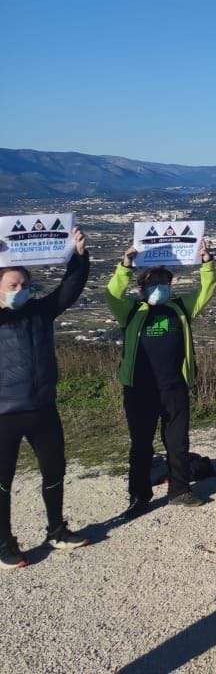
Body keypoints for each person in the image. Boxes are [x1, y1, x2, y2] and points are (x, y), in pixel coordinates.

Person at [106, 235, 216, 513]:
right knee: (141, 446)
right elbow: (111, 294)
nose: (159, 288)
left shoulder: (180, 308)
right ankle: (139, 496)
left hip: (174, 388)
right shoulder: (130, 312)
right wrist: (125, 265)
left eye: (163, 283)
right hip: (139, 391)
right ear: (142, 289)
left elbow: (207, 289)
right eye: (153, 283)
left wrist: (207, 262)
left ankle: (180, 490)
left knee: (178, 443)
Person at [0, 228, 90, 568]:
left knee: (54, 470)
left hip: (42, 408)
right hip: (4, 413)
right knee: (3, 481)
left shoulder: (39, 311)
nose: (20, 290)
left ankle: (56, 529)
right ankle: (3, 542)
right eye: (13, 285)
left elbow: (69, 289)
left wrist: (78, 256)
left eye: (24, 285)